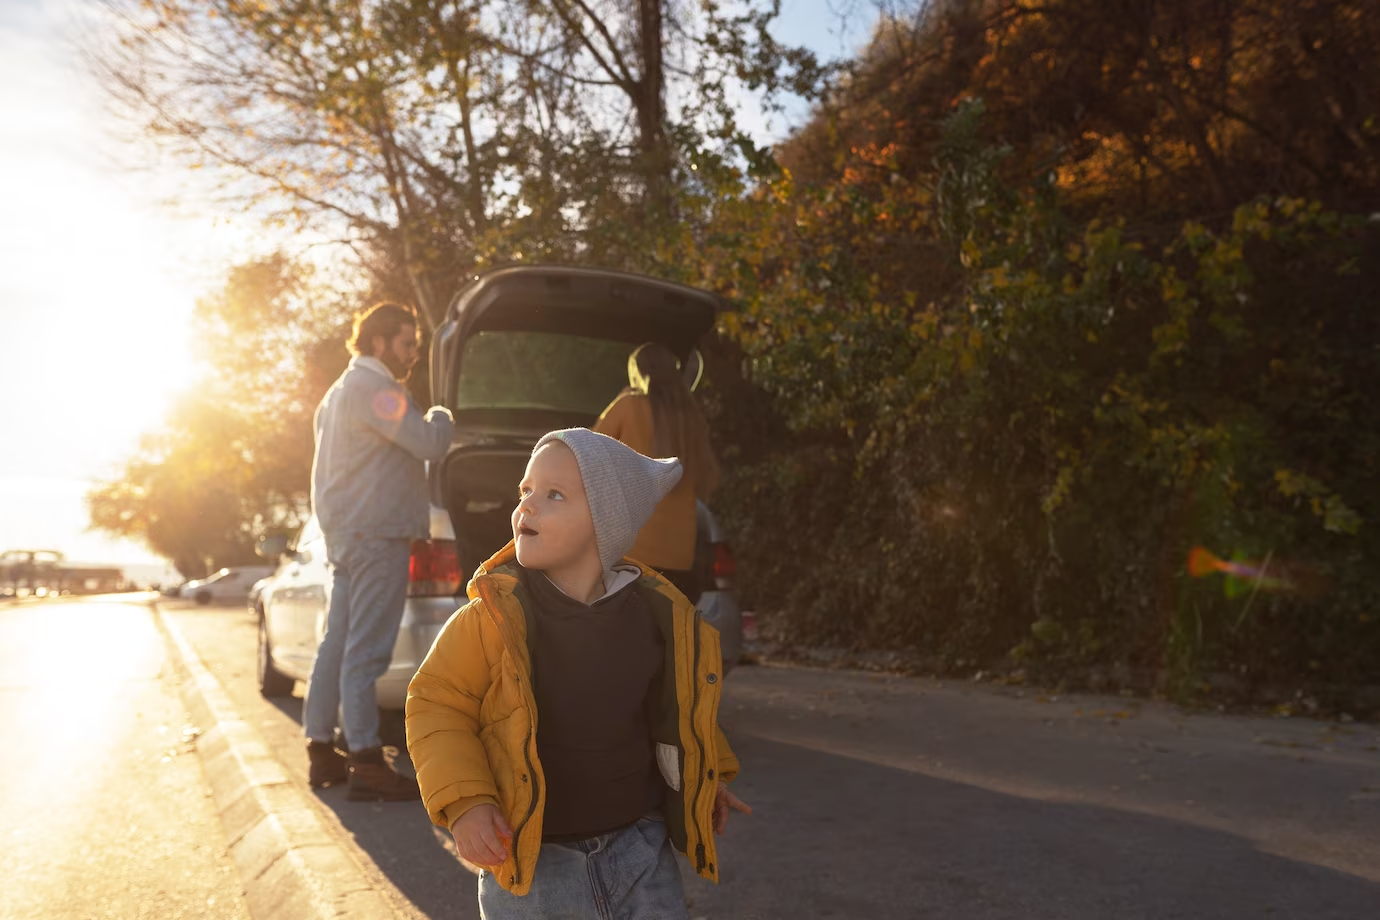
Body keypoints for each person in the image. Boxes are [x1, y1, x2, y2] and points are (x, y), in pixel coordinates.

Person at [406, 429, 750, 917]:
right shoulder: (493, 616)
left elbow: (678, 709)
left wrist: (704, 776)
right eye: (525, 491)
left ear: (604, 524)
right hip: (535, 862)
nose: (527, 506)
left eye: (554, 495)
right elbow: (436, 702)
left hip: (640, 848)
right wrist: (466, 801)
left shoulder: (656, 617)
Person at [304, 302, 455, 801]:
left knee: (338, 645)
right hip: (377, 535)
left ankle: (322, 750)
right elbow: (429, 444)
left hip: (347, 536)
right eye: (407, 343)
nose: (413, 353)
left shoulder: (337, 393)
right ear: (377, 342)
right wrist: (441, 413)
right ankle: (367, 762)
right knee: (366, 652)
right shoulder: (376, 390)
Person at [593, 342, 720, 598]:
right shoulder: (690, 417)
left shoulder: (628, 405)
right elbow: (709, 478)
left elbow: (586, 454)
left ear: (637, 373)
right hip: (679, 556)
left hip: (629, 553)